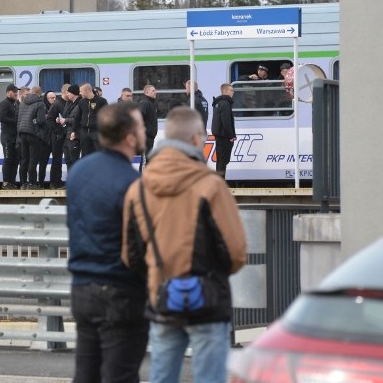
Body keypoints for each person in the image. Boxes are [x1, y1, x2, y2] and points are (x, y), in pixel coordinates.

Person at [122, 107, 247, 383]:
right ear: (194, 139)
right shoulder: (211, 186)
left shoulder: (137, 189)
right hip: (209, 300)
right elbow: (236, 253)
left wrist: (158, 276)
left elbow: (131, 256)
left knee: (162, 376)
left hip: (162, 297)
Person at [67, 102, 149, 383]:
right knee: (120, 375)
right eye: (141, 127)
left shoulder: (78, 172)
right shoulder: (132, 183)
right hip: (120, 291)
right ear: (129, 136)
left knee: (86, 374)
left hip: (82, 289)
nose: (145, 132)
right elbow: (139, 246)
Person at [17, 85, 46, 189]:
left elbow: (19, 118)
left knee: (24, 159)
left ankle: (23, 183)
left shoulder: (23, 103)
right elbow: (41, 120)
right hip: (34, 133)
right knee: (33, 159)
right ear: (39, 94)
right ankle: (32, 183)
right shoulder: (40, 103)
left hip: (22, 132)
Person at [211, 83, 237, 180]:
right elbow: (226, 121)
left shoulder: (218, 103)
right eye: (231, 90)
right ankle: (220, 183)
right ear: (225, 91)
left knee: (220, 160)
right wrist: (231, 135)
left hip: (220, 136)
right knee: (223, 161)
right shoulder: (225, 103)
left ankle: (219, 182)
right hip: (225, 136)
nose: (233, 92)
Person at [0, 83, 20, 189]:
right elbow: (2, 118)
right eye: (14, 91)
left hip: (15, 136)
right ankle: (5, 182)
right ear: (8, 92)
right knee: (8, 159)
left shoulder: (15, 103)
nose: (16, 93)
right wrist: (16, 121)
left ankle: (12, 181)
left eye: (17, 92)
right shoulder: (4, 103)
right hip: (7, 136)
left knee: (15, 160)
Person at [44, 89, 67, 189]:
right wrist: (57, 131)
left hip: (62, 134)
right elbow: (49, 120)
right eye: (51, 97)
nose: (53, 99)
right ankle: (54, 182)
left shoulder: (66, 103)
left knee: (59, 159)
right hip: (56, 135)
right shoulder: (58, 104)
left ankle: (58, 180)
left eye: (54, 97)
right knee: (57, 159)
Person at [79, 83, 107, 156]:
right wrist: (73, 130)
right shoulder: (81, 102)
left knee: (99, 154)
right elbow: (77, 117)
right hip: (84, 132)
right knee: (85, 155)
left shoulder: (102, 101)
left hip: (97, 131)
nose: (80, 93)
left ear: (87, 90)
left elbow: (107, 116)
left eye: (81, 91)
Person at [138, 84, 158, 158]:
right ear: (147, 92)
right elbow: (139, 116)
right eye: (153, 91)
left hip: (150, 136)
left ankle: (147, 170)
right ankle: (143, 170)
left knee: (148, 159)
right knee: (145, 159)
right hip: (145, 136)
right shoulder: (145, 103)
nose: (155, 92)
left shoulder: (152, 103)